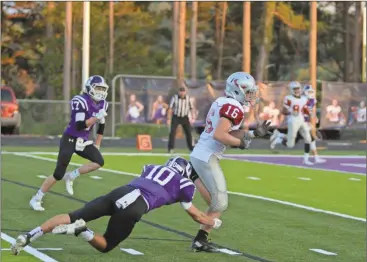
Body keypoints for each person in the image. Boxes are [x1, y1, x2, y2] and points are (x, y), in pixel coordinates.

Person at [11, 157, 222, 256]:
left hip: (120, 192)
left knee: (72, 214)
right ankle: (83, 230)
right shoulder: (185, 183)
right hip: (136, 204)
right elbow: (195, 215)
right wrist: (213, 222)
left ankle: (30, 235)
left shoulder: (151, 168)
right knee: (106, 245)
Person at [188, 72, 271, 252]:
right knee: (220, 203)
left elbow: (227, 132)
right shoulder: (234, 107)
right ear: (237, 89)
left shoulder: (223, 102)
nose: (251, 95)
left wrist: (253, 134)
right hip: (206, 156)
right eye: (248, 91)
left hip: (201, 154)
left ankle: (201, 238)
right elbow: (221, 135)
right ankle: (200, 240)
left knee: (214, 201)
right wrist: (241, 143)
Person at [29, 75, 109, 211]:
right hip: (70, 138)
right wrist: (96, 117)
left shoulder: (103, 104)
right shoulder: (81, 101)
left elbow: (102, 126)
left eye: (103, 89)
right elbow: (79, 125)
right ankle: (36, 198)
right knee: (58, 173)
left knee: (99, 161)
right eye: (98, 88)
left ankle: (71, 176)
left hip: (83, 141)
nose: (101, 92)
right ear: (90, 88)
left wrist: (97, 144)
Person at [269, 81, 313, 165]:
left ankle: (306, 159)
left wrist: (309, 118)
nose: (297, 90)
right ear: (291, 90)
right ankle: (279, 138)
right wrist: (291, 111)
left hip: (301, 119)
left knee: (308, 139)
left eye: (298, 88)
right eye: (295, 89)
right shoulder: (288, 98)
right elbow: (283, 111)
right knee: (290, 145)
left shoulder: (304, 98)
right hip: (292, 120)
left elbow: (305, 110)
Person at [294, 85, 326, 163]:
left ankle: (315, 158)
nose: (311, 93)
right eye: (309, 92)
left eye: (312, 92)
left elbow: (310, 111)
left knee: (310, 140)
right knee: (309, 140)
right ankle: (307, 159)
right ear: (305, 92)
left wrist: (314, 117)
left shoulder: (312, 101)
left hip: (305, 122)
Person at [167, 87, 196, 153]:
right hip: (176, 117)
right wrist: (168, 118)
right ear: (179, 92)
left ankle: (191, 148)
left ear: (185, 92)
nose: (182, 93)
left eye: (183, 91)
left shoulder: (188, 98)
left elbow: (191, 108)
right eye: (181, 91)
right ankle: (170, 148)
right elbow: (170, 108)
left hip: (185, 117)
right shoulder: (175, 97)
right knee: (172, 132)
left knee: (188, 133)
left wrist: (193, 117)